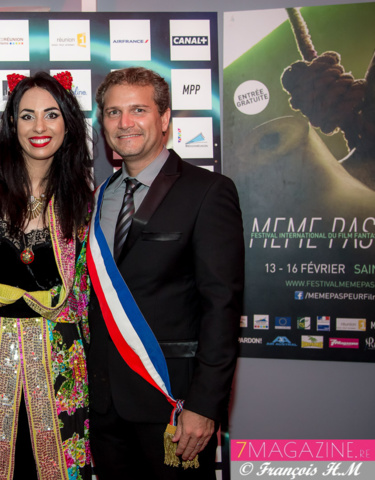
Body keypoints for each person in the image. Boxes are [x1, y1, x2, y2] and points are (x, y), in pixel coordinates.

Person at [87, 67, 245, 479]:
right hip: (102, 406)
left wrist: (205, 405)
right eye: (113, 112)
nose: (125, 122)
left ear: (164, 118)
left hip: (173, 403)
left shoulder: (208, 191)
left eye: (138, 110)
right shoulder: (96, 199)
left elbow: (222, 307)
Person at [0, 71, 93, 480]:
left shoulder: (82, 200)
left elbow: (86, 293)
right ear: (12, 123)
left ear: (68, 123)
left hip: (59, 361)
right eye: (27, 115)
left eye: (51, 114)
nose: (39, 127)